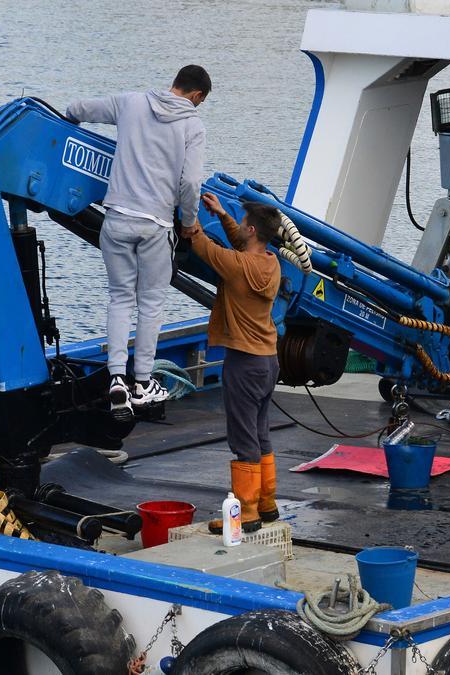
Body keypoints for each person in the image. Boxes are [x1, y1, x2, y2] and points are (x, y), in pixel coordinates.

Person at [66, 65, 210, 420]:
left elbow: (80, 108)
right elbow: (191, 183)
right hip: (155, 225)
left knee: (119, 298)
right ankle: (143, 382)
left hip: (115, 220)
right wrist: (189, 223)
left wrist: (70, 117)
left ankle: (116, 378)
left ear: (174, 83)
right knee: (151, 303)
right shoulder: (193, 125)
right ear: (197, 96)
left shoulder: (131, 103)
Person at [183, 192, 283, 534]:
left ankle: (248, 513)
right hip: (269, 361)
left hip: (243, 363)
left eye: (242, 224)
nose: (239, 228)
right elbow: (242, 243)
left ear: (252, 229)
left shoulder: (236, 265)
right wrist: (223, 215)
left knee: (243, 440)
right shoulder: (271, 263)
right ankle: (267, 502)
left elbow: (203, 248)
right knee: (260, 433)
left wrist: (189, 217)